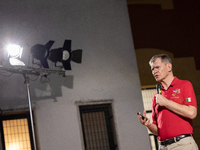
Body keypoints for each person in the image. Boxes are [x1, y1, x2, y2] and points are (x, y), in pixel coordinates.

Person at [138, 54, 199, 150]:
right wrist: (148, 125)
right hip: (163, 146)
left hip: (182, 145)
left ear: (169, 67)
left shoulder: (184, 85)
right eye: (152, 69)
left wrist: (166, 102)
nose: (154, 71)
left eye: (157, 67)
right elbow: (158, 130)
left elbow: (192, 113)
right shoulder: (156, 97)